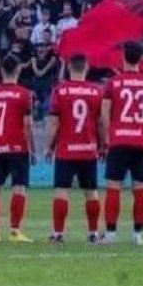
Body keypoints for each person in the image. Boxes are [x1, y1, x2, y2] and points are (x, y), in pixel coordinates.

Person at [99, 41, 143, 245]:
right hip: (141, 142)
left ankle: (110, 234)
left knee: (113, 187)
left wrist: (108, 137)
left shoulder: (113, 83)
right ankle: (137, 235)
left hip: (119, 141)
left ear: (123, 57)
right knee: (140, 188)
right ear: (141, 58)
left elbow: (104, 113)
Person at [44, 53, 104, 244]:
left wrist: (48, 146)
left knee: (62, 191)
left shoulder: (60, 91)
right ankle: (93, 233)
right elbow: (101, 123)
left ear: (69, 68)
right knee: (91, 192)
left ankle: (58, 233)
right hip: (88, 149)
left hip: (66, 149)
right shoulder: (96, 91)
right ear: (87, 68)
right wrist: (103, 145)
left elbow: (54, 123)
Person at [0, 55, 36, 243]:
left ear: (1, 70)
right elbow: (28, 125)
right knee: (19, 188)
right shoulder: (24, 94)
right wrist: (32, 149)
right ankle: (14, 231)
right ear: (18, 70)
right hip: (18, 147)